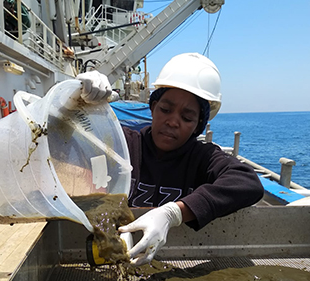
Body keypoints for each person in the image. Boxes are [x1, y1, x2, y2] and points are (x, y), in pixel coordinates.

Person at [76, 53, 264, 266]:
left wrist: (174, 213)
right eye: (165, 109)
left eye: (187, 117)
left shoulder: (202, 157)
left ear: (198, 125)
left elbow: (248, 183)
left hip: (177, 261)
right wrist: (77, 101)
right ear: (153, 108)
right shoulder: (124, 144)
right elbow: (68, 138)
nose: (173, 121)